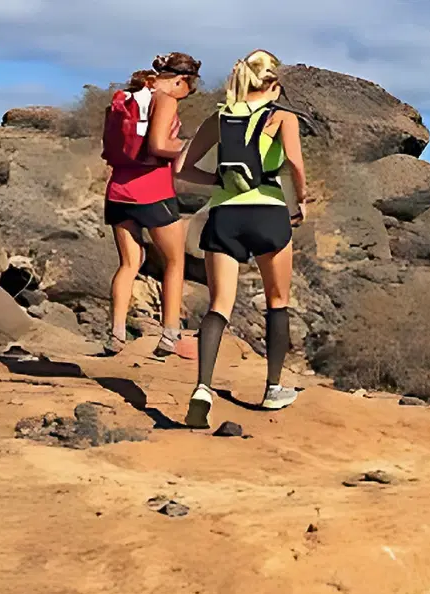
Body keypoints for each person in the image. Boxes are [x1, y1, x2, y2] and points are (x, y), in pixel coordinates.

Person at [175, 49, 309, 428]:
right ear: (274, 85)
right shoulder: (282, 118)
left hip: (225, 215)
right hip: (268, 212)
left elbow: (183, 170)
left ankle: (202, 386)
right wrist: (300, 201)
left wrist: (218, 181)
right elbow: (295, 165)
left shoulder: (219, 118)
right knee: (277, 301)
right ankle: (273, 388)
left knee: (219, 304)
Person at [101, 52, 202, 359]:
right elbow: (158, 145)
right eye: (188, 90)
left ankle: (116, 333)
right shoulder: (165, 99)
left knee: (129, 264)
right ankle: (169, 334)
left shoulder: (127, 96)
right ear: (179, 81)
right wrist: (190, 145)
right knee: (174, 261)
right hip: (152, 191)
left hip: (118, 191)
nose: (185, 96)